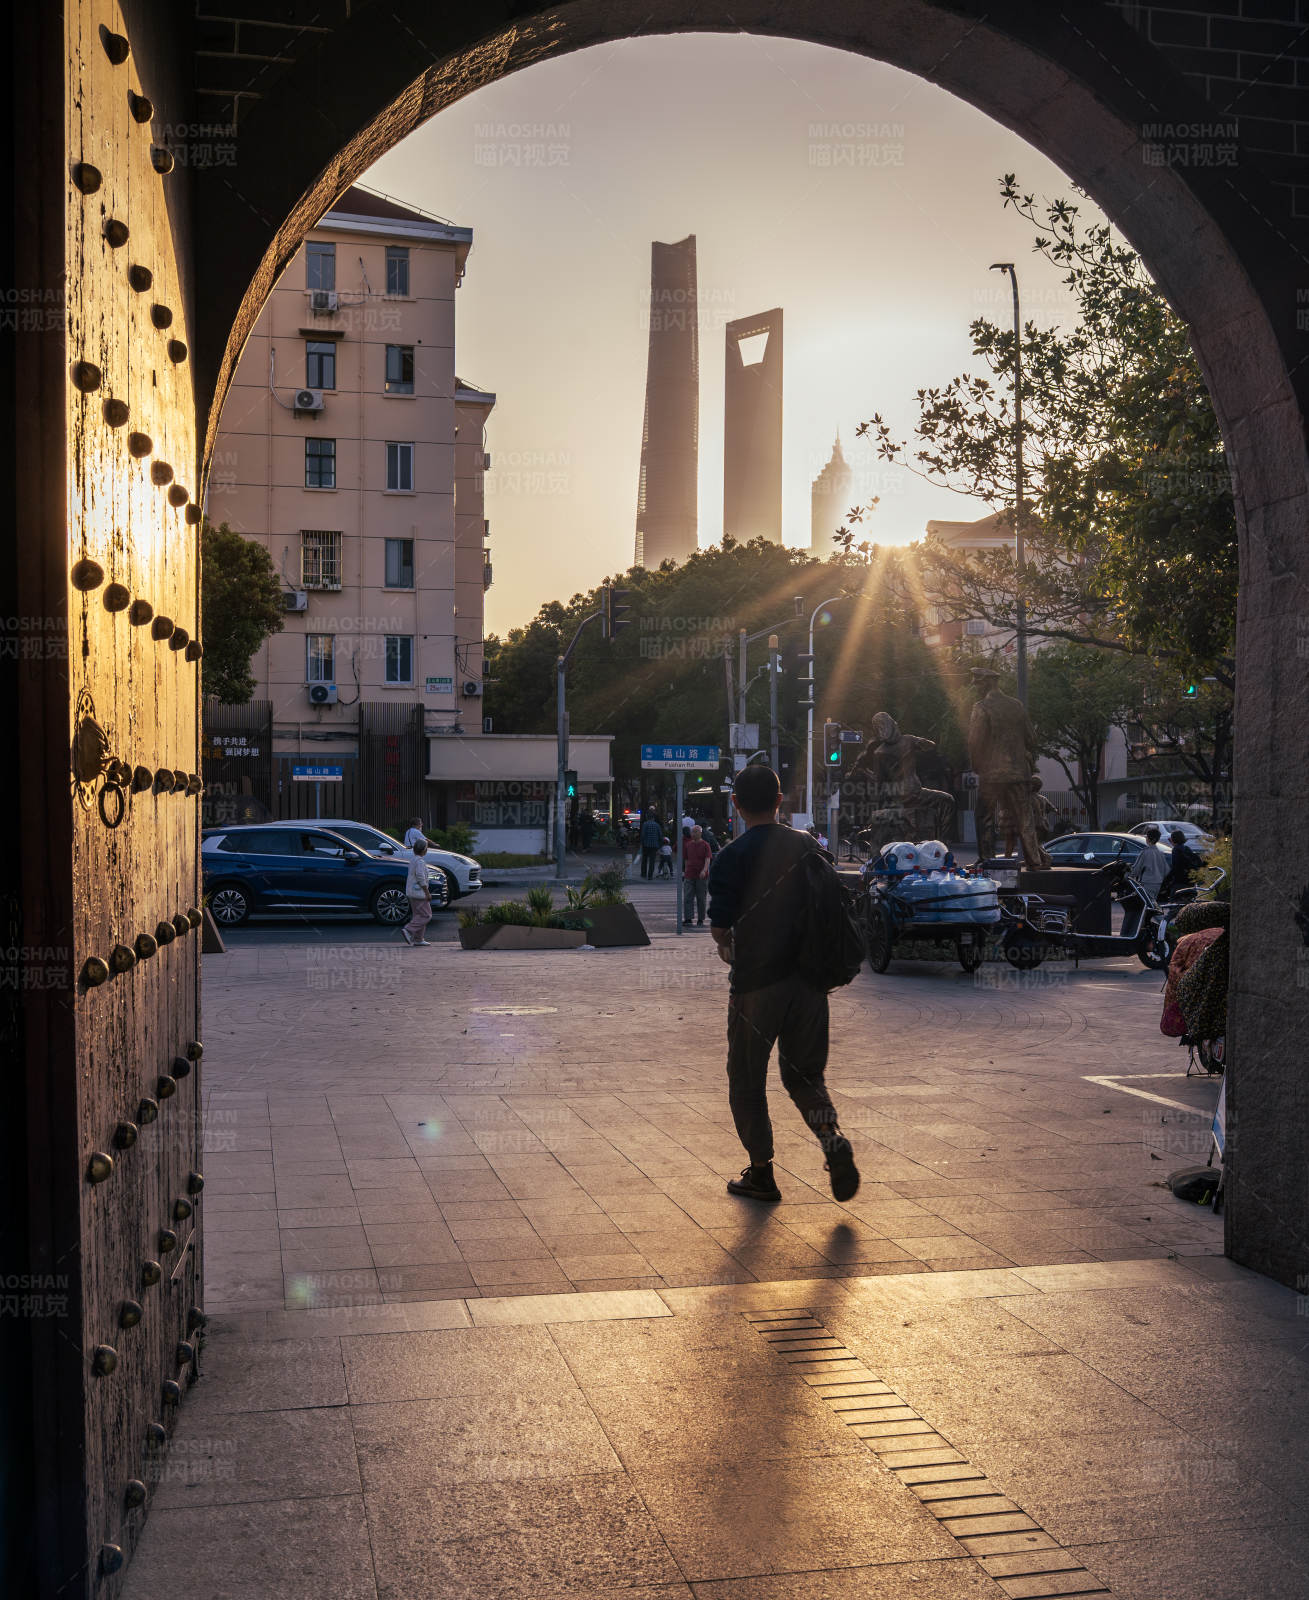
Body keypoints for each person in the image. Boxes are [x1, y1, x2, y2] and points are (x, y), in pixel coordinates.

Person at [707, 765, 860, 1205]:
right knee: (804, 1075)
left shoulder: (730, 857)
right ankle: (831, 1137)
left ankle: (761, 1174)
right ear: (780, 802)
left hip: (756, 988)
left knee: (747, 1081)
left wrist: (730, 949)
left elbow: (721, 931)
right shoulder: (808, 846)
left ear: (736, 805)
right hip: (810, 985)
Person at [401, 838, 434, 946]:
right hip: (420, 893)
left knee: (418, 915)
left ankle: (418, 939)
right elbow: (420, 877)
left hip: (412, 892)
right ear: (424, 850)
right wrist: (427, 892)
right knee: (426, 915)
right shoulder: (420, 861)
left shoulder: (413, 860)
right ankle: (408, 929)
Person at [1128, 823, 1171, 900]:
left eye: (1147, 837)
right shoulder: (1160, 853)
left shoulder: (1145, 852)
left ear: (1149, 839)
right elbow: (1167, 870)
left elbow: (1136, 869)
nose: (1146, 839)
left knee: (1145, 903)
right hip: (1158, 883)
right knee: (1153, 902)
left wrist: (1129, 875)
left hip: (1147, 882)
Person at [1160, 828, 1203, 900]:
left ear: (1173, 839)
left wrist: (1166, 881)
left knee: (1174, 904)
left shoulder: (1176, 850)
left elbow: (1175, 868)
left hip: (1179, 882)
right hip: (1190, 881)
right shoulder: (1187, 848)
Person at [682, 824, 712, 925]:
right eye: (692, 832)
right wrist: (685, 871)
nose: (693, 834)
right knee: (687, 897)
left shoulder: (705, 845)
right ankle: (688, 918)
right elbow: (686, 859)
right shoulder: (688, 845)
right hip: (689, 874)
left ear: (700, 833)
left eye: (696, 832)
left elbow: (707, 859)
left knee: (701, 898)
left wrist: (704, 870)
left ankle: (700, 919)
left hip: (701, 876)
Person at [639, 809, 662, 879]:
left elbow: (643, 835)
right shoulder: (657, 825)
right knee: (652, 861)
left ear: (647, 817)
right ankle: (650, 875)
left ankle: (643, 873)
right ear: (653, 818)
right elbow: (660, 836)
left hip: (646, 845)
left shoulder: (645, 824)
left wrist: (641, 843)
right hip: (654, 845)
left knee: (644, 860)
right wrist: (659, 845)